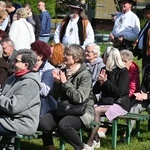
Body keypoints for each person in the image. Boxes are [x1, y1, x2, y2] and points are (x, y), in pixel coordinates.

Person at [38, 44, 94, 150]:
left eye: (68, 54)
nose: (64, 56)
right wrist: (57, 83)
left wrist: (65, 83)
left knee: (64, 126)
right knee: (43, 123)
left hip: (82, 111)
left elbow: (80, 98)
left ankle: (81, 148)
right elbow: (55, 96)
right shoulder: (63, 70)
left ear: (77, 59)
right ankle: (50, 147)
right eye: (65, 53)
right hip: (64, 108)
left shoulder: (85, 74)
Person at [84, 47, 130, 150]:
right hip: (106, 102)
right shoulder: (104, 69)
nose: (102, 58)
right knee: (87, 108)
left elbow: (119, 92)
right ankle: (96, 138)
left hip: (120, 103)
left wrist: (106, 82)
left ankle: (90, 142)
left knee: (96, 110)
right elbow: (95, 90)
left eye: (104, 56)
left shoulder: (123, 72)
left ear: (109, 58)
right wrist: (100, 82)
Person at [0, 49, 41, 148]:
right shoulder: (12, 78)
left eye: (16, 61)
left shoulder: (30, 83)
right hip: (7, 118)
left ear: (26, 65)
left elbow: (14, 107)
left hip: (22, 122)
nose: (12, 63)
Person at [97, 49, 140, 138]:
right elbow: (97, 90)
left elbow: (132, 86)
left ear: (130, 62)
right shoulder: (106, 70)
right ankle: (97, 132)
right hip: (111, 99)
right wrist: (100, 82)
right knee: (96, 107)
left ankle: (125, 133)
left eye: (126, 61)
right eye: (122, 60)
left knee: (134, 107)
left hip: (127, 98)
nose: (123, 63)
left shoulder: (129, 70)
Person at [31, 40, 56, 116]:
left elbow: (45, 91)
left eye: (32, 52)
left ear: (41, 56)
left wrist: (30, 80)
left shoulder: (49, 70)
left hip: (44, 107)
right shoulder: (29, 66)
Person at [133, 3, 150, 69]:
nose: (145, 14)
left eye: (147, 12)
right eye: (145, 12)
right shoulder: (147, 23)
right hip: (144, 54)